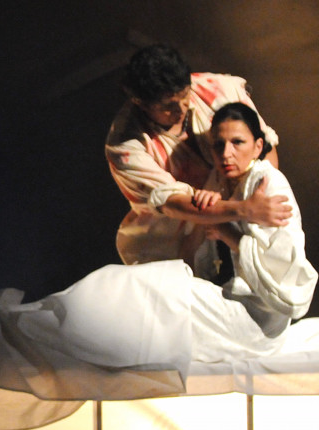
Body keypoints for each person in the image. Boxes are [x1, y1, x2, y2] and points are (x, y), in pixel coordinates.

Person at [0, 102, 316, 407]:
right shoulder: (221, 182)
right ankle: (33, 326)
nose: (226, 152)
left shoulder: (269, 185)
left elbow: (289, 287)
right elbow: (194, 252)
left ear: (259, 145)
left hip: (257, 322)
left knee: (141, 296)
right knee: (132, 289)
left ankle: (32, 332)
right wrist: (214, 218)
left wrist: (229, 232)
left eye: (238, 143)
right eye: (219, 144)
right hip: (229, 300)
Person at [105, 44, 291, 268]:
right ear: (141, 103)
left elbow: (263, 147)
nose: (181, 108)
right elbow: (175, 204)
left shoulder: (217, 89)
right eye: (167, 106)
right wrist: (242, 209)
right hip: (173, 246)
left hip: (245, 218)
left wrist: (256, 201)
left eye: (185, 95)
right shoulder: (126, 146)